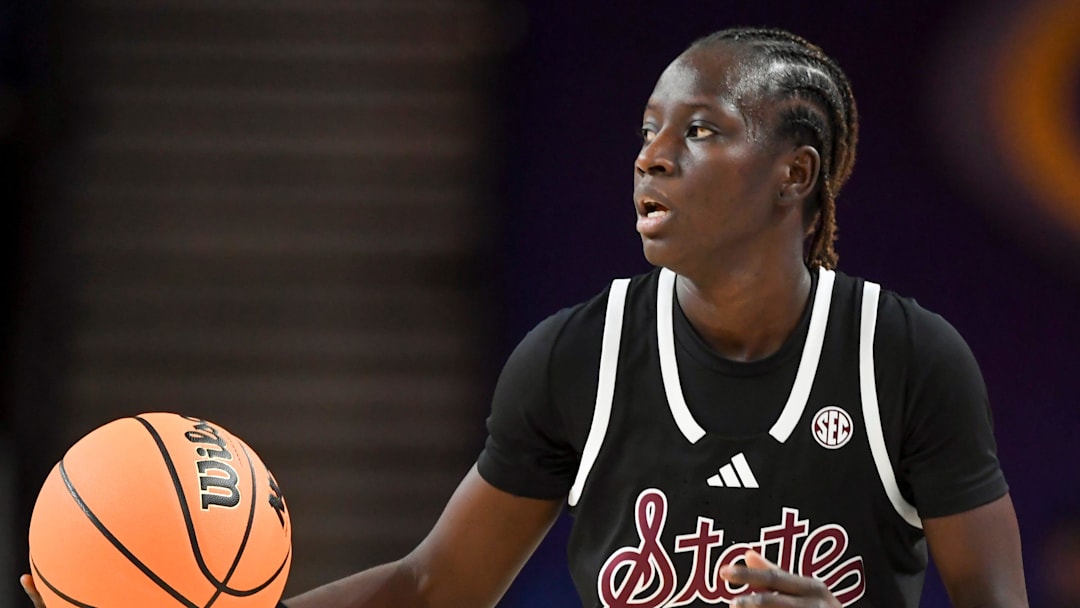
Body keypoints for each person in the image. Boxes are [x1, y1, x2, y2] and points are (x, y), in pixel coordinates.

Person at [21, 27, 1028, 607]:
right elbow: (432, 585)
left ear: (794, 175)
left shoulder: (905, 357)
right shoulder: (578, 354)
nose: (651, 156)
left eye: (701, 130)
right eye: (646, 130)